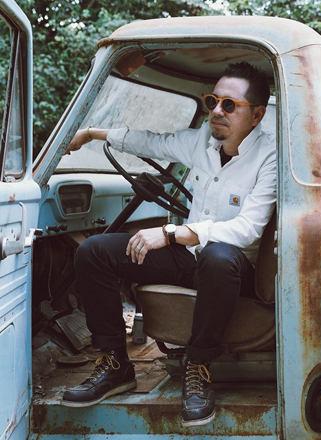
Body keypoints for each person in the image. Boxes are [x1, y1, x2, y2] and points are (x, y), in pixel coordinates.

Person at [60, 62, 276, 428]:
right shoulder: (201, 141)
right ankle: (115, 364)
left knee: (218, 255)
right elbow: (150, 141)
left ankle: (199, 366)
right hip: (190, 258)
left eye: (229, 105)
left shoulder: (269, 156)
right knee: (93, 252)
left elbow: (248, 229)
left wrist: (171, 233)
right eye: (212, 102)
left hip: (232, 268)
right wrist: (92, 133)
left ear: (256, 115)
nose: (216, 111)